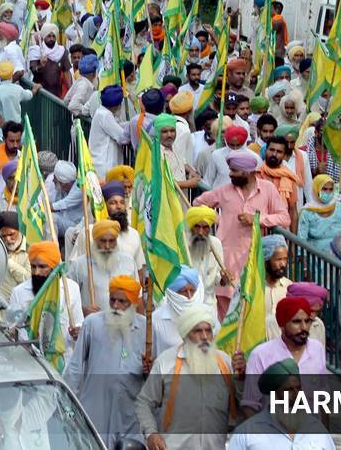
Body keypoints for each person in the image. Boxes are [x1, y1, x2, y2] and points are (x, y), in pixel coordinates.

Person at [194, 150, 291, 317]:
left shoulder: (267, 189)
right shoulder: (225, 191)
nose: (230, 174)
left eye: (235, 171)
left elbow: (284, 218)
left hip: (253, 259)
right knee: (225, 311)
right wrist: (215, 219)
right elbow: (198, 203)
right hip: (226, 259)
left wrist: (257, 219)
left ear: (248, 172)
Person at [136, 303, 242, 450]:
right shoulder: (166, 363)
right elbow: (144, 402)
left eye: (208, 331)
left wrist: (242, 378)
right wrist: (151, 433)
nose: (204, 337)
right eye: (198, 331)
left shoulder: (225, 363)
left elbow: (242, 404)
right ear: (185, 334)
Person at [66, 275, 152, 446]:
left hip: (129, 416)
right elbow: (75, 368)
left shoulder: (147, 329)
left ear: (134, 303)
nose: (115, 306)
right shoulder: (92, 324)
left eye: (123, 301)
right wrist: (69, 408)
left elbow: (155, 380)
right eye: (112, 300)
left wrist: (149, 370)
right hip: (95, 412)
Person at [241, 297, 327, 415]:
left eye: (307, 321)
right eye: (296, 322)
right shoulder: (261, 354)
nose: (303, 327)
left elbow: (322, 398)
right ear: (282, 325)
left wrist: (325, 432)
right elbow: (250, 405)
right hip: (272, 430)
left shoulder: (317, 349)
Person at [229, 360, 334, 449]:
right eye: (289, 390)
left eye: (298, 388)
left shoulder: (316, 428)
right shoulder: (247, 433)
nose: (297, 395)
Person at [7, 241, 83, 357]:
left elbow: (78, 323)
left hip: (63, 360)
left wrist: (77, 332)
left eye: (42, 267)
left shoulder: (71, 289)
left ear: (54, 268)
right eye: (33, 267)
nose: (37, 272)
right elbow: (12, 329)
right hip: (31, 362)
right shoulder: (19, 292)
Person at [68, 219, 136, 314]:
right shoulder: (79, 265)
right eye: (103, 241)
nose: (107, 246)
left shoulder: (128, 262)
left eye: (111, 241)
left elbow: (137, 297)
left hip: (123, 324)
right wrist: (84, 311)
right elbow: (68, 301)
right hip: (92, 325)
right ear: (95, 241)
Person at [89, 85, 131, 176]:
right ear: (117, 105)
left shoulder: (101, 111)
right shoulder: (105, 115)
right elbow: (122, 138)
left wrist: (129, 124)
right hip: (104, 166)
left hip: (100, 163)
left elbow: (116, 126)